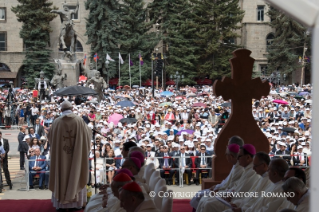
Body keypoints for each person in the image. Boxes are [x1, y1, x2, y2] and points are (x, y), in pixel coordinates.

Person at [48, 100, 91, 210]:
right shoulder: (79, 121)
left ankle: (61, 205)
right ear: (72, 109)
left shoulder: (56, 122)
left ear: (61, 110)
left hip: (60, 157)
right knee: (76, 173)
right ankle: (76, 204)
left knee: (61, 174)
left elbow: (50, 138)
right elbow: (87, 135)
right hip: (76, 155)